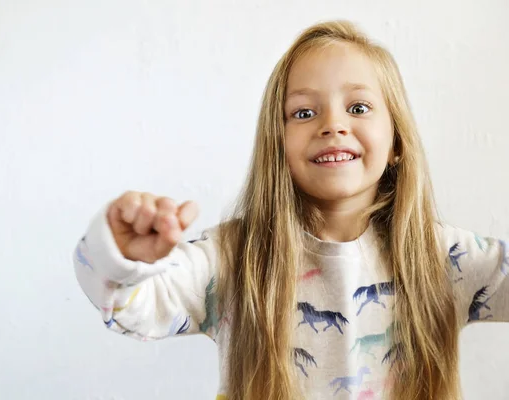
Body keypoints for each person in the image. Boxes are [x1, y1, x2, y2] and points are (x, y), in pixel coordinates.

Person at [72, 20, 509, 400]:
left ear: (396, 141)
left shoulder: (444, 257)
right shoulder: (232, 258)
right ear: (276, 146)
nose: (333, 124)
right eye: (303, 112)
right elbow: (130, 307)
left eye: (358, 107)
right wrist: (123, 256)